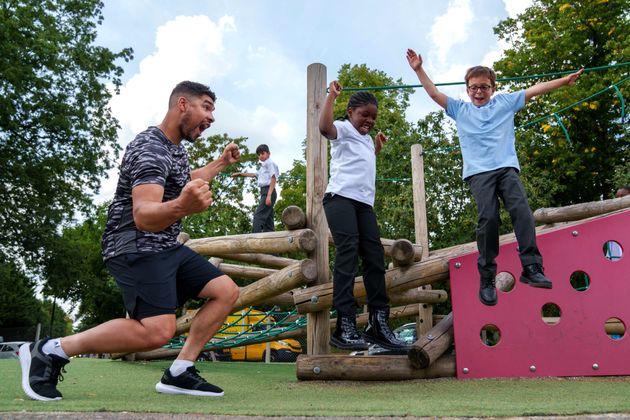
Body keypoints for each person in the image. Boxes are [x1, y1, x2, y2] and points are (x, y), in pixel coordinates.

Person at [19, 81, 241, 401]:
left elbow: (184, 181)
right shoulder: (151, 148)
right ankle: (50, 350)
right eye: (206, 107)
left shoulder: (174, 147)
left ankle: (180, 372)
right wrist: (182, 206)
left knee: (225, 291)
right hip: (134, 244)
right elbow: (143, 215)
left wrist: (220, 164)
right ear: (182, 104)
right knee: (157, 331)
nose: (212, 117)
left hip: (163, 244)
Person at [406, 48, 583, 306]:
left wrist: (564, 81)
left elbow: (536, 89)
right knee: (488, 218)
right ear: (467, 90)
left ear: (493, 88)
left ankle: (532, 267)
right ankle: (487, 277)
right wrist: (419, 69)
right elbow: (434, 93)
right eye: (474, 87)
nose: (479, 92)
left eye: (485, 87)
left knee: (522, 211)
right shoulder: (459, 109)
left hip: (506, 168)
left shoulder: (505, 103)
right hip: (479, 173)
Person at [319, 80, 407, 351]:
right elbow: (324, 128)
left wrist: (377, 147)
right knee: (348, 252)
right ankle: (344, 323)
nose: (368, 120)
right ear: (350, 113)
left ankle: (377, 322)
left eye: (373, 117)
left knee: (374, 257)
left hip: (363, 204)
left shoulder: (367, 139)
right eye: (364, 115)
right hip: (340, 200)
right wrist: (331, 97)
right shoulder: (343, 129)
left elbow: (364, 159)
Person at [231, 144, 280, 233]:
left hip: (269, 191)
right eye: (259, 154)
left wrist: (269, 195)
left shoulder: (269, 163)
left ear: (268, 153)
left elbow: (273, 178)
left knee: (258, 216)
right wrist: (240, 174)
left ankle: (255, 236)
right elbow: (254, 174)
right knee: (268, 217)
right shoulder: (263, 166)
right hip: (264, 192)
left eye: (262, 153)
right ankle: (269, 236)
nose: (261, 156)